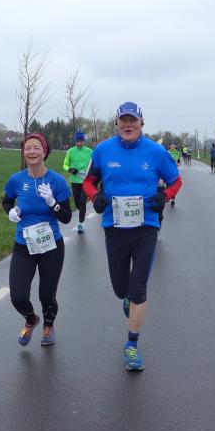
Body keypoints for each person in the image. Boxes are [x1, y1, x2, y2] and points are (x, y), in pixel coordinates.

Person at [83, 101, 182, 371]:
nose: (128, 125)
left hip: (145, 227)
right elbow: (88, 181)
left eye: (133, 120)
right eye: (123, 120)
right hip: (114, 227)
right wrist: (95, 197)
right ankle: (126, 296)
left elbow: (175, 180)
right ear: (116, 123)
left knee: (139, 288)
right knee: (120, 289)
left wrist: (164, 196)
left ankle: (131, 345)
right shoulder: (103, 150)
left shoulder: (156, 152)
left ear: (141, 123)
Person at [2, 133, 72, 346]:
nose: (31, 152)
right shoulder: (16, 180)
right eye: (27, 148)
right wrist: (11, 212)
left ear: (44, 152)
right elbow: (6, 201)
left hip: (51, 246)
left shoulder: (57, 181)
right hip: (24, 245)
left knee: (46, 296)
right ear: (23, 153)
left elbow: (66, 217)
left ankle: (48, 326)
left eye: (36, 148)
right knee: (18, 296)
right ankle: (31, 319)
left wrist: (52, 203)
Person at [62, 131, 94, 233]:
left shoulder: (89, 151)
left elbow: (94, 164)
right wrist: (70, 169)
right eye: (77, 141)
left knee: (82, 200)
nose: (79, 143)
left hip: (86, 181)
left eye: (81, 141)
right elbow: (65, 165)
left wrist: (92, 172)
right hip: (75, 181)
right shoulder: (70, 151)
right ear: (75, 141)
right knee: (77, 204)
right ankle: (82, 213)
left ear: (84, 141)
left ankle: (80, 223)